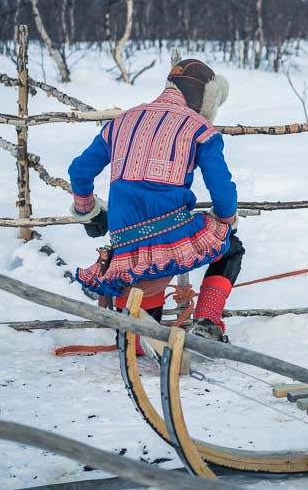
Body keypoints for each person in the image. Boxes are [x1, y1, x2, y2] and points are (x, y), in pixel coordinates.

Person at [68, 59, 243, 342]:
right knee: (231, 248)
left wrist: (89, 212)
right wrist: (225, 222)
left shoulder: (121, 122)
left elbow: (79, 171)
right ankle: (207, 321)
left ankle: (138, 330)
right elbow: (222, 191)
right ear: (207, 98)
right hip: (170, 236)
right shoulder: (200, 129)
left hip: (124, 243)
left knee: (138, 343)